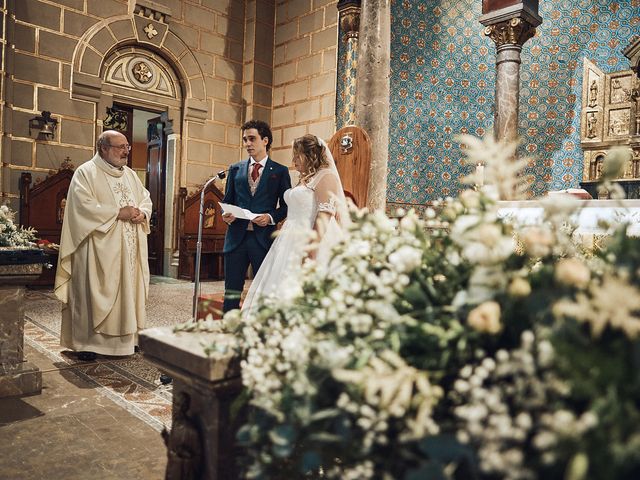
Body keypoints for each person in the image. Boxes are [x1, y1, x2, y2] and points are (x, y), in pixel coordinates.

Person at [54, 130, 152, 360]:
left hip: (129, 247)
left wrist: (142, 213)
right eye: (120, 147)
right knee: (94, 291)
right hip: (97, 249)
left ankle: (130, 340)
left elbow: (144, 197)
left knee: (130, 290)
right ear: (103, 148)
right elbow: (82, 207)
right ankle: (88, 343)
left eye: (127, 146)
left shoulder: (129, 174)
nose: (126, 151)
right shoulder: (86, 173)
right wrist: (118, 213)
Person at [241, 133, 348, 314]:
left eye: (297, 155)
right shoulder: (304, 179)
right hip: (288, 239)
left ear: (310, 155)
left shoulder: (326, 176)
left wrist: (310, 251)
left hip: (312, 238)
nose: (293, 160)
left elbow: (324, 214)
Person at [221, 120, 292, 312]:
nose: (247, 143)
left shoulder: (280, 171)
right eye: (245, 139)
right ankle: (228, 331)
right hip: (236, 238)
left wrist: (269, 217)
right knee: (231, 291)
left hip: (263, 240)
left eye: (252, 139)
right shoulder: (235, 169)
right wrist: (225, 214)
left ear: (265, 140)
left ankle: (259, 332)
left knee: (264, 291)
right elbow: (227, 201)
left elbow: (286, 206)